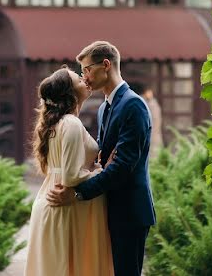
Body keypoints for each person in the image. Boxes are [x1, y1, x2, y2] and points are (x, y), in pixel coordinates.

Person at [47, 41, 156, 276]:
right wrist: (100, 165)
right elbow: (103, 159)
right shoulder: (103, 107)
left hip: (128, 212)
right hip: (107, 208)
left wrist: (77, 193)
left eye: (87, 69)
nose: (84, 77)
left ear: (105, 65)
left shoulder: (133, 105)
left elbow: (122, 166)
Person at [25, 66, 113, 276]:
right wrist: (104, 171)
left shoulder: (58, 124)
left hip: (50, 204)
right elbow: (72, 176)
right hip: (63, 208)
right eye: (78, 79)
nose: (84, 78)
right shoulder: (71, 123)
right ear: (70, 93)